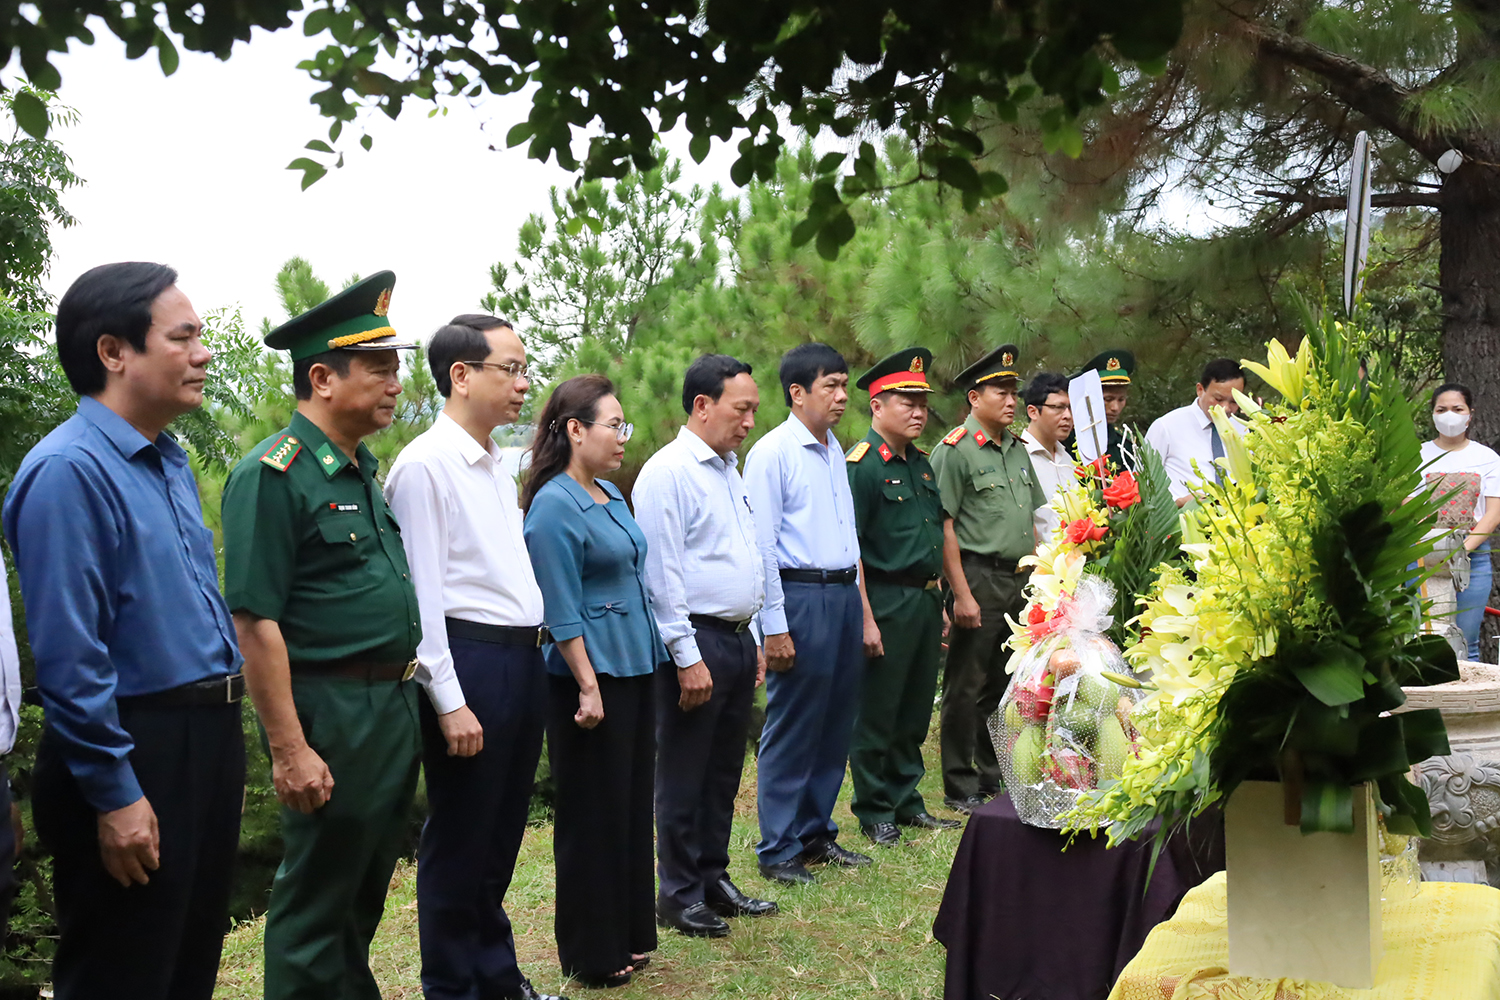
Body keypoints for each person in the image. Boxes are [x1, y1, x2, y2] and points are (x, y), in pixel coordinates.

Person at [2, 262, 245, 1000]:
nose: (204, 354)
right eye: (184, 337)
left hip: (205, 738)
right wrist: (114, 793)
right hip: (136, 747)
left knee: (186, 961)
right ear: (114, 353)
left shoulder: (165, 460)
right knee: (125, 970)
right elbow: (73, 655)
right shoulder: (69, 470)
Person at [221, 271, 425, 1000]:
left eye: (396, 365)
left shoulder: (361, 470)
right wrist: (290, 747)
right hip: (329, 714)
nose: (397, 381)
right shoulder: (275, 475)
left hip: (388, 709)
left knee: (359, 891)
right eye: (379, 367)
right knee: (314, 902)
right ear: (322, 377)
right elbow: (254, 619)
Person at [383, 316, 566, 1000]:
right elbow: (424, 600)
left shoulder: (493, 463)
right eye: (509, 369)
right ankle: (453, 987)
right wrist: (450, 699)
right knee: (461, 838)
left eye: (525, 369)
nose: (524, 384)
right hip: (470, 661)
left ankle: (495, 978)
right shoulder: (426, 466)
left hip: (519, 658)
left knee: (500, 834)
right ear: (461, 375)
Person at [521, 376, 666, 989]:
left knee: (631, 805)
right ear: (575, 430)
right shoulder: (554, 503)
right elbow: (561, 604)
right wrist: (586, 683)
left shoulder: (610, 491)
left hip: (635, 661)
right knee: (592, 813)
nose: (623, 438)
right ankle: (590, 948)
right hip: (590, 674)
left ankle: (629, 931)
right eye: (614, 425)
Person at [633, 354, 776, 938]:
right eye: (740, 410)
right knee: (686, 772)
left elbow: (746, 557)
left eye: (752, 411)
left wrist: (759, 638)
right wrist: (686, 656)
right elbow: (661, 574)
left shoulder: (727, 468)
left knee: (721, 771)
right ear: (702, 405)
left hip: (738, 638)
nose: (747, 422)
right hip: (696, 641)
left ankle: (713, 876)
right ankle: (679, 891)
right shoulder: (668, 473)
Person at [743, 343, 871, 884]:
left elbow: (848, 536)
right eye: (831, 386)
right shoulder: (772, 453)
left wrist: (862, 610)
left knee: (835, 719)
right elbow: (763, 546)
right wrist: (773, 625)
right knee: (794, 722)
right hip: (800, 596)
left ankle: (816, 832)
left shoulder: (835, 448)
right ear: (797, 393)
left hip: (841, 594)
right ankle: (777, 846)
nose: (842, 396)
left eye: (844, 385)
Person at [845, 348, 961, 847]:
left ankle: (907, 800)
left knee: (914, 708)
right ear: (877, 405)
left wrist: (943, 602)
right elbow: (851, 550)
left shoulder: (923, 465)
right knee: (879, 709)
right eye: (906, 400)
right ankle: (874, 809)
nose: (918, 411)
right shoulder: (863, 466)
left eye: (922, 401)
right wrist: (866, 617)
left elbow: (935, 532)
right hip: (885, 599)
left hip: (923, 600)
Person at [931, 345, 1046, 814]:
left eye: (1014, 391)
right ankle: (959, 784)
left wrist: (1044, 579)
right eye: (1000, 390)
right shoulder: (955, 451)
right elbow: (944, 526)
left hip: (1018, 578)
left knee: (1005, 685)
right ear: (974, 397)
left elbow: (1032, 520)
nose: (1011, 399)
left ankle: (992, 774)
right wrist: (959, 593)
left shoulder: (1017, 450)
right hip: (976, 577)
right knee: (965, 684)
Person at [1421, 383, 1500, 661]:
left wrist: (1461, 549)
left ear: (1470, 414)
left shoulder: (1487, 458)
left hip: (1472, 560)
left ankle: (1470, 704)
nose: (1450, 415)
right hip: (1422, 559)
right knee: (1426, 639)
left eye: (1457, 409)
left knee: (1467, 642)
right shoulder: (1417, 456)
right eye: (1442, 409)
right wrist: (1434, 547)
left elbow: (1493, 513)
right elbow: (1406, 506)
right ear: (1432, 414)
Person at [1144, 358, 1246, 505]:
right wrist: (1179, 502)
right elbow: (1141, 484)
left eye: (1234, 401)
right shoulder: (1167, 427)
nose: (1226, 408)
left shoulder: (1244, 430)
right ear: (1200, 390)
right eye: (1218, 399)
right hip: (1180, 520)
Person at [1019, 371, 1077, 536]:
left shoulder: (1067, 458)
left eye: (1071, 408)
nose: (1068, 416)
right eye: (1058, 408)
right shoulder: (1018, 458)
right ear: (1033, 412)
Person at [1069, 349, 1137, 471]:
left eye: (1121, 399)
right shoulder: (1068, 438)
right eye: (1108, 399)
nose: (1115, 408)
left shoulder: (1123, 446)